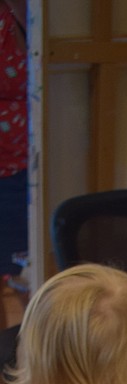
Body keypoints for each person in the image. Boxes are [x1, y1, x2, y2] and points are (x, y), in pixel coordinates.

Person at [0, 0, 28, 316]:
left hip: (20, 171)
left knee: (24, 276)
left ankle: (35, 357)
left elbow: (40, 48)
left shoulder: (19, 13)